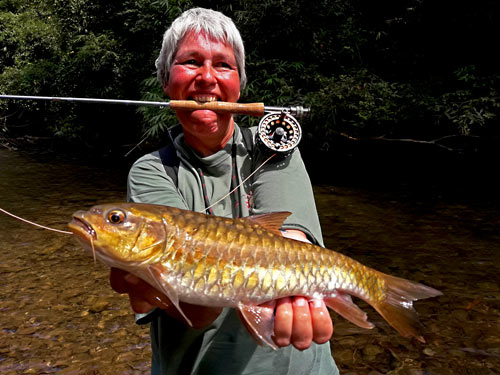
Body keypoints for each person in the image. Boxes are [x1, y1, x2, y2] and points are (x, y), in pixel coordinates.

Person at [110, 7, 339, 375]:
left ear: (239, 84)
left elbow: (292, 240)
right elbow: (195, 310)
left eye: (223, 65)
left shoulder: (274, 148)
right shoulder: (151, 171)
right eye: (190, 62)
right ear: (166, 81)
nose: (206, 78)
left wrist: (291, 292)